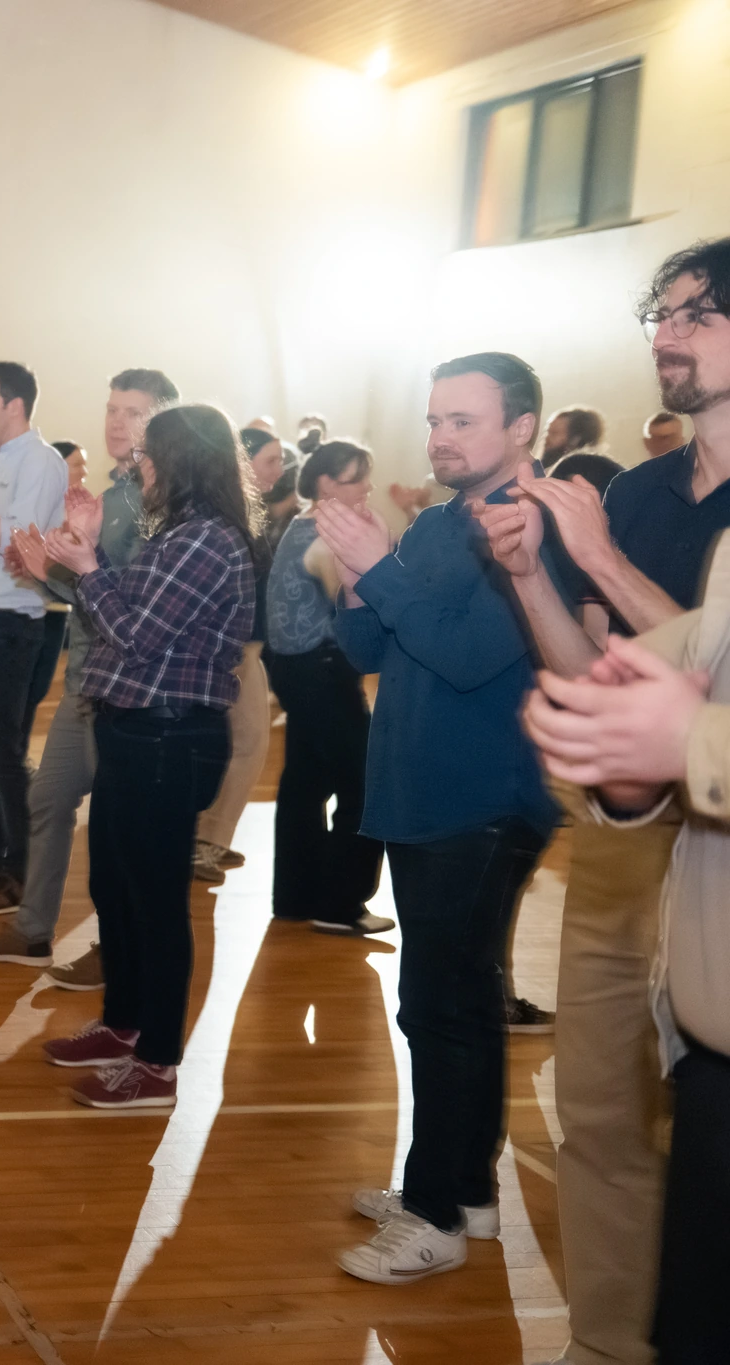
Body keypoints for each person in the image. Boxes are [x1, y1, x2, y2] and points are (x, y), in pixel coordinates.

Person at [472, 238, 730, 1365]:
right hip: (631, 834)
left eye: (694, 315)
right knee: (599, 1110)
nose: (665, 335)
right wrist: (532, 571)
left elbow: (697, 676)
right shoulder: (636, 490)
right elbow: (604, 675)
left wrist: (598, 558)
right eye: (660, 314)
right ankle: (604, 1341)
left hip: (712, 837)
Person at [313, 352, 560, 1286]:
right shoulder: (441, 522)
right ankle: (467, 1191)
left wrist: (382, 566)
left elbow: (463, 655)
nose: (440, 437)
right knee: (451, 1005)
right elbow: (369, 643)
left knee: (442, 1008)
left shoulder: (527, 525)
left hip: (483, 801)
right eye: (433, 420)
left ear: (522, 427)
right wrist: (355, 569)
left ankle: (436, 1214)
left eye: (462, 420)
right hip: (425, 799)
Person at [520, 561, 729, 1365]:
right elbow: (646, 685)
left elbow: (694, 716)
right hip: (713, 1036)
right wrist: (622, 759)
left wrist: (691, 738)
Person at [27, 404, 257, 1110]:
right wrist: (86, 553)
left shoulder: (207, 542)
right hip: (140, 733)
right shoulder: (179, 534)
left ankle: (156, 1060)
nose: (139, 468)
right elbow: (125, 606)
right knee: (117, 892)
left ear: (182, 461)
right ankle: (124, 1023)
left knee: (155, 904)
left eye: (149, 458)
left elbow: (134, 630)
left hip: (169, 738)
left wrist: (87, 562)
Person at [0, 369, 173, 975]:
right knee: (50, 800)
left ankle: (120, 953)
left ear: (161, 421)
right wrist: (45, 567)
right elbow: (88, 584)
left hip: (128, 687)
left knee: (117, 830)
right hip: (87, 674)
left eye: (131, 412)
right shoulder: (114, 490)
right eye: (111, 408)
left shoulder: (157, 502)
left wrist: (59, 568)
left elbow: (127, 597)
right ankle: (32, 932)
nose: (115, 421)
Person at [262, 439, 388, 935]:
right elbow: (342, 583)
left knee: (305, 783)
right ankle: (341, 903)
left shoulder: (299, 524)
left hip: (297, 670)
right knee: (363, 783)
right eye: (357, 477)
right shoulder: (325, 533)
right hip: (324, 669)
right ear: (325, 484)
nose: (368, 487)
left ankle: (295, 897)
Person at [0, 361, 66, 908]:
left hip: (8, 623)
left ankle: (24, 874)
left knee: (3, 753)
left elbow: (20, 541)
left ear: (15, 406)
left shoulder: (41, 462)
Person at [192, 428, 287, 882]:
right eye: (272, 460)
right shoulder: (227, 517)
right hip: (233, 648)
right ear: (243, 463)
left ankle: (211, 837)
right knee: (245, 743)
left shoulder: (246, 511)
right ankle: (204, 841)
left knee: (248, 743)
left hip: (247, 646)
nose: (280, 471)